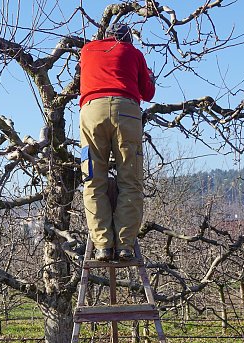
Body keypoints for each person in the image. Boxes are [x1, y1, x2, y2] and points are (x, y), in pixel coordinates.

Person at [79, 23, 155, 261]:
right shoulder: (134, 53)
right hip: (126, 111)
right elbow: (148, 93)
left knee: (93, 179)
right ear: (127, 39)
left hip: (92, 112)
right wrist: (150, 77)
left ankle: (102, 245)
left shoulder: (87, 50)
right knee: (130, 179)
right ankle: (124, 246)